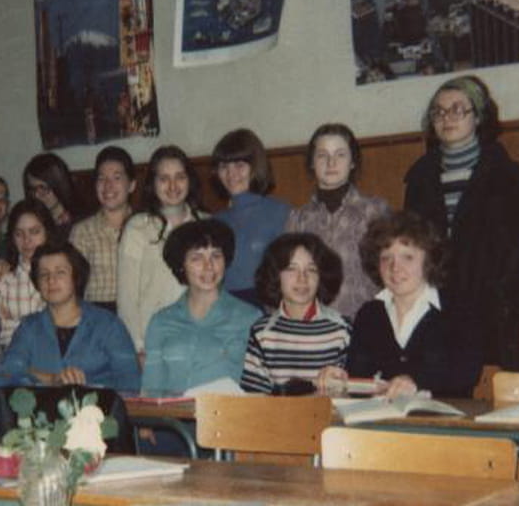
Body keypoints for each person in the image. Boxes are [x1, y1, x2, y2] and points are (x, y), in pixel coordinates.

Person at [404, 75, 519, 371]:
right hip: (436, 314)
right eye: (439, 111)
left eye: (457, 109)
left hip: (492, 314)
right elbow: (410, 247)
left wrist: (505, 304)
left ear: (478, 116)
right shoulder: (419, 178)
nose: (447, 118)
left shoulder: (507, 174)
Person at [347, 211, 483, 398]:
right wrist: (342, 381)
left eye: (407, 257)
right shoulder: (369, 314)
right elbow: (358, 376)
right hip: (381, 414)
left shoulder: (458, 311)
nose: (395, 268)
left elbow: (466, 373)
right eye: (386, 258)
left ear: (428, 261)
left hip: (441, 414)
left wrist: (416, 381)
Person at [1, 241, 140, 394]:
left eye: (60, 272)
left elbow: (130, 382)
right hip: (40, 408)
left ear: (76, 277)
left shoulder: (108, 325)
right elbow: (8, 370)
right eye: (44, 274)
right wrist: (52, 379)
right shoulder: (29, 327)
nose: (51, 280)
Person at [142, 219, 260, 396]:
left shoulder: (250, 318)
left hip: (230, 412)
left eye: (216, 256)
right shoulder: (161, 322)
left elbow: (258, 391)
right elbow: (151, 391)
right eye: (196, 258)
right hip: (172, 413)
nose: (208, 266)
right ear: (181, 265)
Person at [285, 123, 390, 320]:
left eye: (340, 155)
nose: (331, 163)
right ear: (312, 162)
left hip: (366, 322)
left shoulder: (374, 211)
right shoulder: (298, 219)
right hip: (314, 325)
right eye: (322, 155)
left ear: (352, 162)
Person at [117, 145, 207, 357]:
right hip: (153, 343)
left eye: (180, 177)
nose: (173, 185)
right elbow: (127, 298)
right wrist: (138, 347)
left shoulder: (206, 224)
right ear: (153, 184)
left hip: (199, 340)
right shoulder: (137, 228)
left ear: (189, 180)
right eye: (164, 178)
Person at [241, 233, 351, 395]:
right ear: (276, 275)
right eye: (291, 269)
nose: (302, 279)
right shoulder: (262, 333)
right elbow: (253, 398)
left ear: (321, 276)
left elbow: (354, 395)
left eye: (311, 269)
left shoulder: (342, 329)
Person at [210, 129, 291, 306]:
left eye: (239, 165)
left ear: (256, 167)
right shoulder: (214, 222)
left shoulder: (280, 212)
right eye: (224, 167)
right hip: (226, 308)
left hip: (269, 306)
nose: (231, 174)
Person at [69, 146, 136, 312]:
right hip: (96, 313)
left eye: (116, 178)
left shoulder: (145, 226)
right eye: (101, 178)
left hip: (137, 309)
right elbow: (72, 284)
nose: (108, 185)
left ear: (132, 185)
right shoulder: (82, 231)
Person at [0, 199, 56, 352]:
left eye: (34, 232)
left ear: (47, 232)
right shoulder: (0, 277)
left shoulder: (62, 273)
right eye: (19, 234)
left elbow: (61, 325)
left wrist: (14, 322)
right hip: (12, 357)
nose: (27, 240)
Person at [22, 152, 81, 240]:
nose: (37, 195)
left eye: (43, 188)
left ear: (59, 185)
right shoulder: (31, 221)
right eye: (33, 189)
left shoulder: (80, 225)